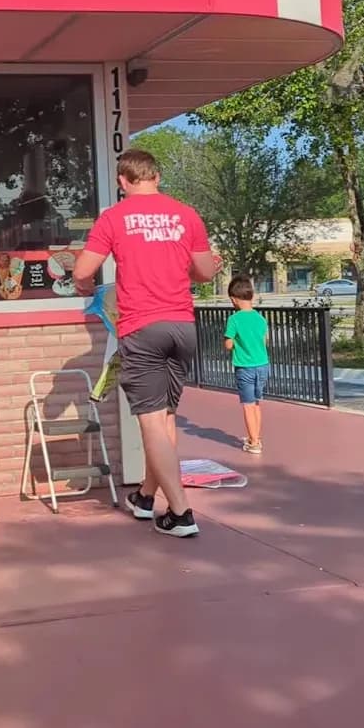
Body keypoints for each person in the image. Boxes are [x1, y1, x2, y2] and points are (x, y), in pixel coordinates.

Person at [74, 148, 220, 536]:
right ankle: (144, 497)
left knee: (152, 423)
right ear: (156, 177)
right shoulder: (186, 214)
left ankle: (181, 514)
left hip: (142, 327)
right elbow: (205, 272)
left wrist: (84, 286)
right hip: (182, 327)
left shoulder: (113, 217)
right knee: (167, 417)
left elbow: (83, 270)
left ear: (123, 181)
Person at [225, 274, 270, 454]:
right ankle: (256, 436)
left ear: (233, 299)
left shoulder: (234, 320)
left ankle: (253, 443)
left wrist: (236, 342)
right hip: (263, 365)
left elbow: (228, 344)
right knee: (257, 403)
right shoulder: (260, 318)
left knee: (247, 404)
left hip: (244, 367)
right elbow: (265, 341)